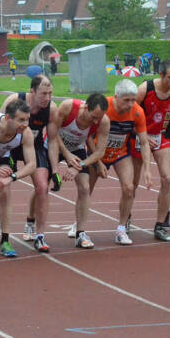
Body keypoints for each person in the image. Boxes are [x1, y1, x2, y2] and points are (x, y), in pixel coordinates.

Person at [0, 75, 60, 252]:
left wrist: (55, 170)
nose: (47, 98)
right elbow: (0, 126)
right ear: (32, 91)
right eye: (43, 94)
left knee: (43, 187)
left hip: (34, 146)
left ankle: (40, 235)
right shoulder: (14, 100)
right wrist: (3, 154)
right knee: (3, 188)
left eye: (50, 93)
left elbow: (54, 140)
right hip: (10, 145)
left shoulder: (51, 109)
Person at [88, 80, 152, 245]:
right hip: (97, 152)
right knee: (86, 189)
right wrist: (97, 161)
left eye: (133, 100)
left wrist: (147, 169)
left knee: (129, 188)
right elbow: (88, 135)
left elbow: (144, 142)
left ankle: (121, 229)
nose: (131, 104)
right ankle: (78, 225)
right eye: (126, 100)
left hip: (120, 153)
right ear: (116, 97)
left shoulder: (137, 112)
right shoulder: (104, 107)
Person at [131, 58, 170, 241]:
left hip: (162, 135)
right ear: (161, 75)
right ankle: (126, 218)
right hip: (141, 134)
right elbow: (129, 116)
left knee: (168, 178)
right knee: (133, 182)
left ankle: (160, 225)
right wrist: (142, 135)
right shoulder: (144, 90)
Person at [0, 100, 37, 257]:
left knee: (3, 191)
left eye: (27, 119)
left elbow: (32, 164)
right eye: (21, 120)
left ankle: (5, 240)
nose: (25, 124)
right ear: (7, 118)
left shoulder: (26, 133)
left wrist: (10, 178)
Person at [51, 93, 111, 249]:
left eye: (99, 117)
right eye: (93, 117)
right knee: (42, 184)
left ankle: (81, 233)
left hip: (77, 149)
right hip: (54, 145)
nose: (96, 121)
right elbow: (52, 131)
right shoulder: (68, 107)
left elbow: (99, 152)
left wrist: (79, 166)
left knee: (85, 188)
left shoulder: (104, 122)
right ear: (85, 107)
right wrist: (65, 154)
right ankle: (31, 222)